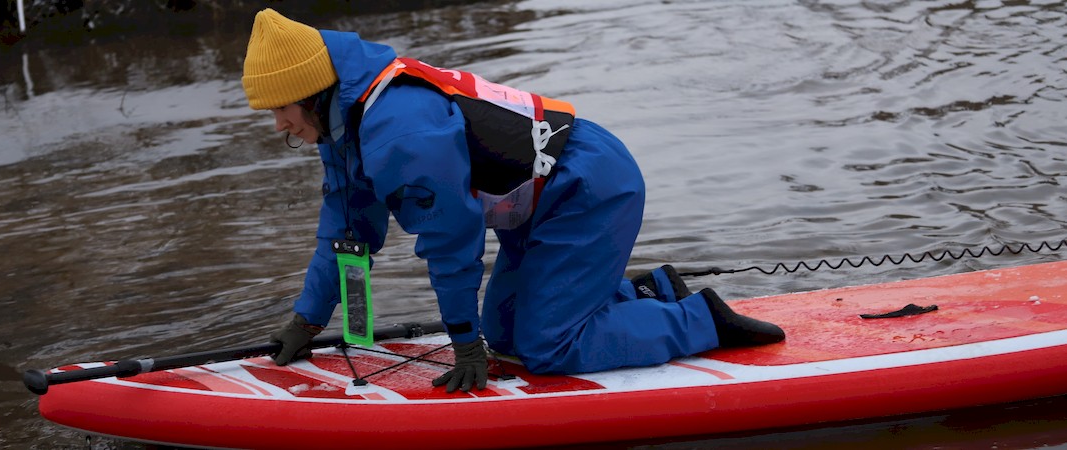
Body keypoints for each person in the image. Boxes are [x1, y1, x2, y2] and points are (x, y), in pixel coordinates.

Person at [244, 8, 784, 393]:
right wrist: (307, 322)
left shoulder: (399, 133)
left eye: (281, 109)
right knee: (503, 334)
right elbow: (348, 234)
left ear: (315, 90)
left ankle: (701, 319)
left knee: (548, 350)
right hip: (538, 203)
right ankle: (650, 290)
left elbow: (451, 244)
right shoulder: (346, 128)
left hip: (588, 188)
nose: (277, 126)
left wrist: (462, 345)